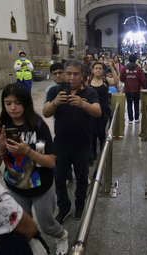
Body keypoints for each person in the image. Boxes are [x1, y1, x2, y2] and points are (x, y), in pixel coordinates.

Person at [0, 83, 69, 255]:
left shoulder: (38, 127)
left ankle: (62, 235)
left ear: (26, 103)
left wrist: (27, 151)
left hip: (41, 187)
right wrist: (1, 149)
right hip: (15, 188)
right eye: (8, 103)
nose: (13, 107)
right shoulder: (3, 128)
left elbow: (50, 162)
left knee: (47, 225)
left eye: (17, 102)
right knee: (23, 227)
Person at [43, 59, 101, 224]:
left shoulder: (89, 92)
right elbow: (46, 113)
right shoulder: (55, 91)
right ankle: (64, 208)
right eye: (68, 73)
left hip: (82, 145)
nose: (72, 78)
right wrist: (55, 103)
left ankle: (80, 204)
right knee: (60, 179)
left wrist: (83, 104)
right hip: (61, 145)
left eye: (76, 74)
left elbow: (97, 112)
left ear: (83, 75)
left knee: (82, 178)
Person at [89, 60, 119, 161]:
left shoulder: (105, 80)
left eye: (100, 68)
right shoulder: (88, 81)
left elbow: (116, 81)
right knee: (93, 132)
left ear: (103, 70)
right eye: (96, 68)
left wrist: (112, 68)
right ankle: (93, 152)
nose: (98, 70)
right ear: (92, 70)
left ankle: (103, 150)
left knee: (101, 132)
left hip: (103, 109)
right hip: (91, 109)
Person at [120, 54, 147, 124]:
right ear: (136, 60)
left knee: (129, 104)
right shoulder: (139, 69)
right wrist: (145, 88)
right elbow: (143, 80)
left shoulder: (124, 68)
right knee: (136, 103)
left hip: (128, 89)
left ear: (128, 59)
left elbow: (121, 79)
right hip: (136, 90)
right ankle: (137, 118)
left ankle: (130, 119)